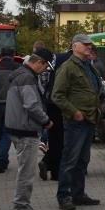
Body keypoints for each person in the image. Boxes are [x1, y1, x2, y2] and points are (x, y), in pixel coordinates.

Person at [51, 33, 104, 210]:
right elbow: (57, 96)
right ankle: (64, 196)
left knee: (83, 160)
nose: (89, 47)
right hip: (77, 121)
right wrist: (74, 112)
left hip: (90, 119)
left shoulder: (89, 66)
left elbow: (96, 89)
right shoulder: (68, 67)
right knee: (69, 160)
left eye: (90, 44)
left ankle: (78, 194)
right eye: (85, 44)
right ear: (75, 46)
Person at [4, 47, 55, 210]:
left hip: (18, 127)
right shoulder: (27, 77)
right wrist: (46, 120)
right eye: (46, 66)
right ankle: (21, 207)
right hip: (26, 129)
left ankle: (23, 204)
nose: (46, 70)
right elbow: (31, 105)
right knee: (26, 172)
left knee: (25, 169)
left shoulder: (21, 74)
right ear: (39, 62)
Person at [0, 47, 21, 173]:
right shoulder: (17, 67)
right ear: (13, 54)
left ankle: (2, 161)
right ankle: (0, 160)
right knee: (8, 133)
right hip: (12, 104)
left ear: (1, 55)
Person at [39, 46, 72, 181]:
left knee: (55, 137)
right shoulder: (80, 61)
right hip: (66, 103)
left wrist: (48, 92)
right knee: (63, 139)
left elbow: (44, 78)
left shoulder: (56, 57)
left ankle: (49, 164)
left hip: (51, 102)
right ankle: (53, 168)